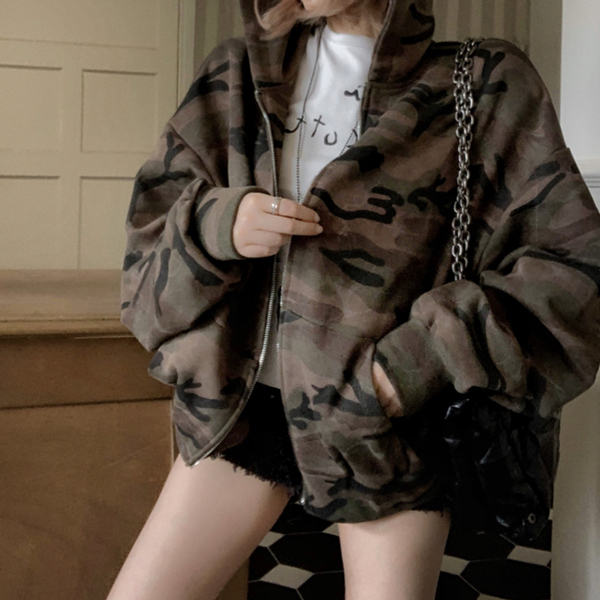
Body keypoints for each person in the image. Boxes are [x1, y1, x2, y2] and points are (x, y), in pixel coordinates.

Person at [109, 0, 600, 599]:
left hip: (386, 430)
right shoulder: (234, 75)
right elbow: (147, 243)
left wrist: (412, 367)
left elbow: (570, 268)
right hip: (239, 412)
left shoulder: (483, 81)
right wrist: (217, 224)